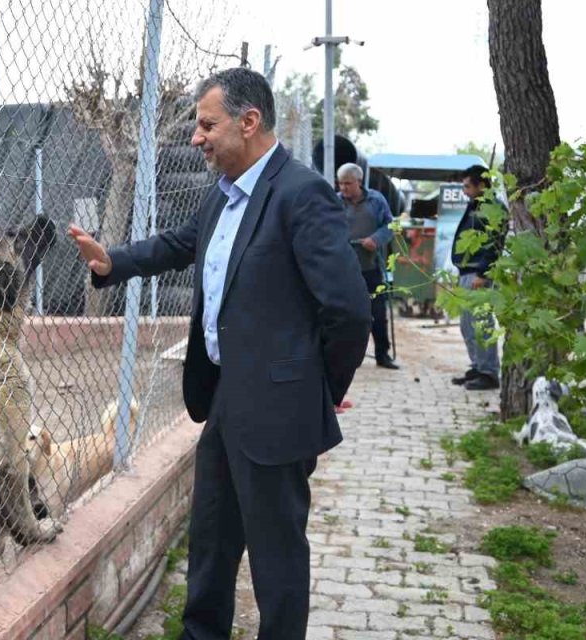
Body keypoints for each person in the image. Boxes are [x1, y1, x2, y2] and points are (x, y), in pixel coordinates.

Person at [67, 67, 369, 640]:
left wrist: (315, 390)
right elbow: (182, 242)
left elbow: (348, 311)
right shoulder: (225, 194)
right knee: (210, 540)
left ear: (249, 122)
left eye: (208, 125)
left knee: (277, 560)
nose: (196, 138)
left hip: (279, 408)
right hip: (227, 396)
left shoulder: (302, 195)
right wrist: (113, 262)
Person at [336, 162, 398, 370]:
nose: (343, 188)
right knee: (344, 315)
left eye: (347, 183)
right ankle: (345, 355)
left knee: (377, 314)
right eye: (340, 183)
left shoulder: (376, 200)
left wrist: (376, 239)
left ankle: (383, 354)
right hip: (343, 270)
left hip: (370, 268)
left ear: (359, 182)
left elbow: (390, 225)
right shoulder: (335, 202)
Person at [450, 164, 504, 391]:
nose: (464, 191)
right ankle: (477, 366)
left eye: (467, 186)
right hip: (467, 272)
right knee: (467, 324)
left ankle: (489, 372)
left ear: (482, 185)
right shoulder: (476, 205)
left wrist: (483, 273)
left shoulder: (493, 208)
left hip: (478, 273)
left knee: (481, 323)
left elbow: (495, 243)